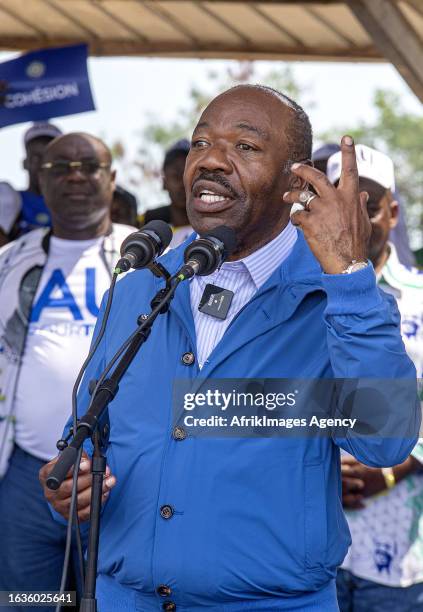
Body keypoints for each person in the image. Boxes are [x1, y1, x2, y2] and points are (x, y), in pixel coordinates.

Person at [40, 86, 419, 611]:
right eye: (201, 143)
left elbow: (386, 441)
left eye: (245, 147)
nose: (211, 160)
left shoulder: (338, 296)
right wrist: (72, 486)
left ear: (296, 179)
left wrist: (349, 277)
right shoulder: (138, 288)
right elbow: (83, 438)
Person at [0, 132, 135, 609]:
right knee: (24, 600)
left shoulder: (147, 258)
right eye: (60, 167)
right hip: (23, 471)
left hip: (119, 473)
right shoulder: (10, 261)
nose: (75, 174)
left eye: (89, 165)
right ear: (40, 178)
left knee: (107, 599)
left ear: (111, 179)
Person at [326, 144, 423, 611]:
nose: (354, 216)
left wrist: (391, 467)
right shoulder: (291, 298)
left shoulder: (421, 298)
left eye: (367, 202)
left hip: (398, 552)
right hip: (311, 553)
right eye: (341, 200)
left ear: (393, 211)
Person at [0, 122, 63, 246]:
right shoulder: (8, 200)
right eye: (36, 157)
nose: (43, 163)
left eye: (50, 157)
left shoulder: (78, 204)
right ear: (24, 163)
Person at [144, 138, 192, 247]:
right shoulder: (145, 225)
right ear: (164, 182)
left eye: (190, 176)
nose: (183, 184)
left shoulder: (216, 228)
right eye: (176, 176)